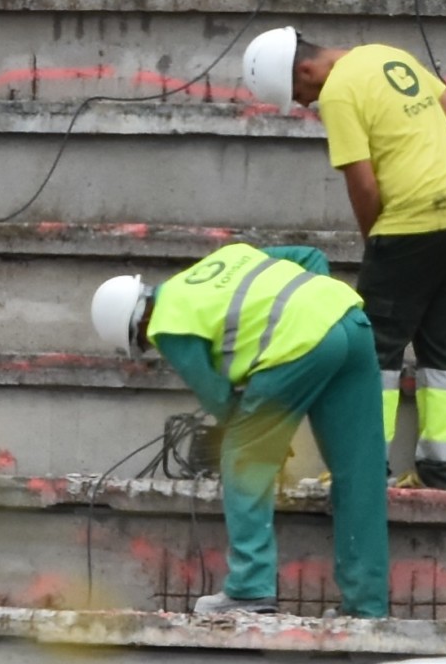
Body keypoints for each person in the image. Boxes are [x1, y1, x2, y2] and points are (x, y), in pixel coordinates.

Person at [241, 28, 446, 490]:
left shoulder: (337, 92)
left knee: (374, 349)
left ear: (307, 70)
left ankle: (366, 466)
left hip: (408, 224)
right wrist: (425, 162)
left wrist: (376, 238)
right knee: (444, 341)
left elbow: (364, 184)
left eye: (300, 95)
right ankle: (439, 471)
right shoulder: (385, 53)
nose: (308, 105)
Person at [88, 243, 388, 617]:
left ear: (139, 324)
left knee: (241, 456)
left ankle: (250, 590)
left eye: (143, 343)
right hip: (348, 319)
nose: (152, 347)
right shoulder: (224, 258)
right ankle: (366, 606)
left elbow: (218, 399)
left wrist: (263, 436)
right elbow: (310, 257)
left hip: (301, 345)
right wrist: (315, 321)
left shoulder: (166, 321)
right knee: (360, 472)